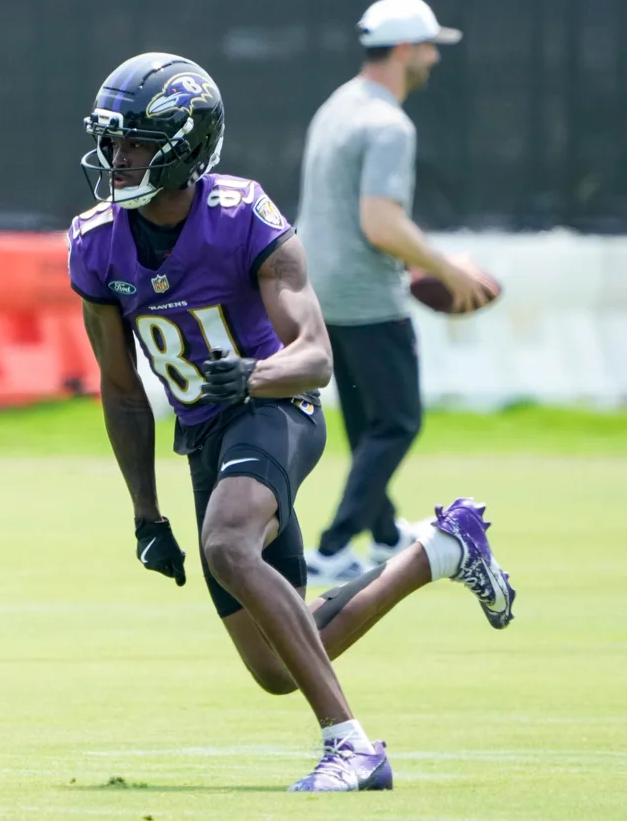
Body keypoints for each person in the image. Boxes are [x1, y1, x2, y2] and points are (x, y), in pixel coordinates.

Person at [69, 52, 516, 791]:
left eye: (136, 144)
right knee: (276, 666)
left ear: (184, 148)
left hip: (275, 408)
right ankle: (439, 550)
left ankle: (351, 747)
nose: (118, 159)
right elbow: (120, 391)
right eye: (112, 141)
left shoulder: (240, 215)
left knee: (226, 543)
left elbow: (314, 357)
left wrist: (253, 374)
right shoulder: (94, 241)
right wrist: (145, 514)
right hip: (204, 434)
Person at [296, 0, 494, 585]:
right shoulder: (388, 125)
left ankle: (384, 534)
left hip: (320, 290)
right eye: (430, 47)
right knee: (399, 422)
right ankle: (333, 547)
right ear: (405, 49)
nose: (435, 58)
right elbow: (380, 224)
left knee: (367, 424)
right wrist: (447, 268)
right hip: (367, 297)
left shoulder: (338, 105)